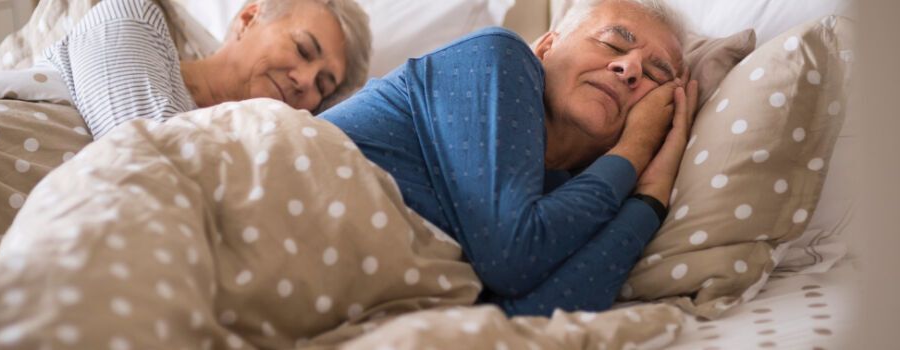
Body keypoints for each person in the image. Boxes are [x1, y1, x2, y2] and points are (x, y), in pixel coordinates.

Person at [319, 0, 699, 316]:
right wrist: (634, 149)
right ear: (547, 46)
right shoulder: (497, 56)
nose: (630, 68)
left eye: (655, 74)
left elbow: (529, 320)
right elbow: (512, 256)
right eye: (613, 45)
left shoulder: (574, 202)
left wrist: (651, 196)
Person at [43, 0, 371, 139]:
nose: (304, 81)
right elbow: (139, 152)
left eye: (323, 86)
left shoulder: (258, 149)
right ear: (248, 19)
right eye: (302, 49)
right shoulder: (133, 19)